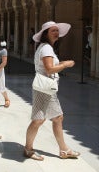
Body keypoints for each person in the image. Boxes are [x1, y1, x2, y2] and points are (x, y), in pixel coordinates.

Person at [24, 21, 80, 160]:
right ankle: (28, 149)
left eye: (56, 30)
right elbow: (49, 69)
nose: (56, 33)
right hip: (44, 89)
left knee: (57, 118)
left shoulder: (45, 47)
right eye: (52, 30)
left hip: (47, 89)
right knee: (38, 120)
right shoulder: (47, 48)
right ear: (45, 34)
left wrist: (60, 63)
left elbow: (48, 66)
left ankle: (64, 150)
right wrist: (65, 65)